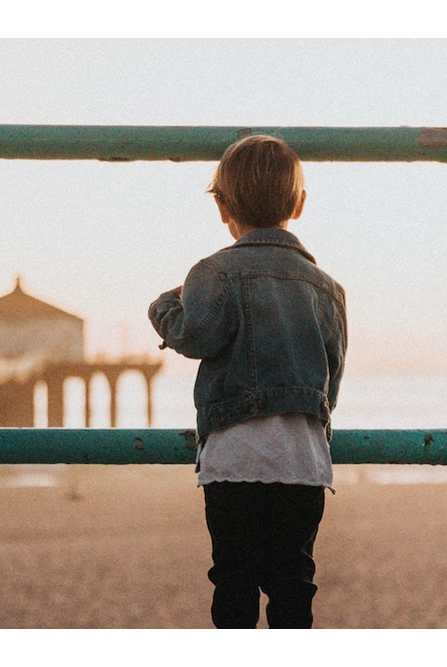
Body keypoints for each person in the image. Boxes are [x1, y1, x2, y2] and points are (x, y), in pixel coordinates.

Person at [149, 134, 347, 629]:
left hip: (233, 461)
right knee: (293, 584)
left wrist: (165, 305)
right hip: (301, 462)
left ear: (223, 208)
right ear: (298, 204)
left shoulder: (214, 273)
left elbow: (194, 335)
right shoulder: (327, 288)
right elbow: (332, 374)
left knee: (233, 583)